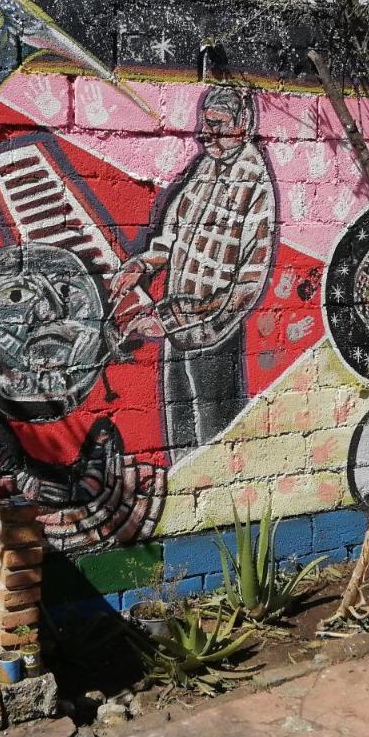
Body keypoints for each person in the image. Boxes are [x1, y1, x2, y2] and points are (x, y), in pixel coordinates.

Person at [109, 85, 276, 459]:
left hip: (213, 340)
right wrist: (141, 265)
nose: (207, 135)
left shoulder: (254, 182)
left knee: (212, 447)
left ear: (242, 125)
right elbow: (171, 236)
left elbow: (245, 287)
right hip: (176, 331)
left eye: (217, 125)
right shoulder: (205, 167)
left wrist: (169, 318)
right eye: (206, 125)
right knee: (178, 438)